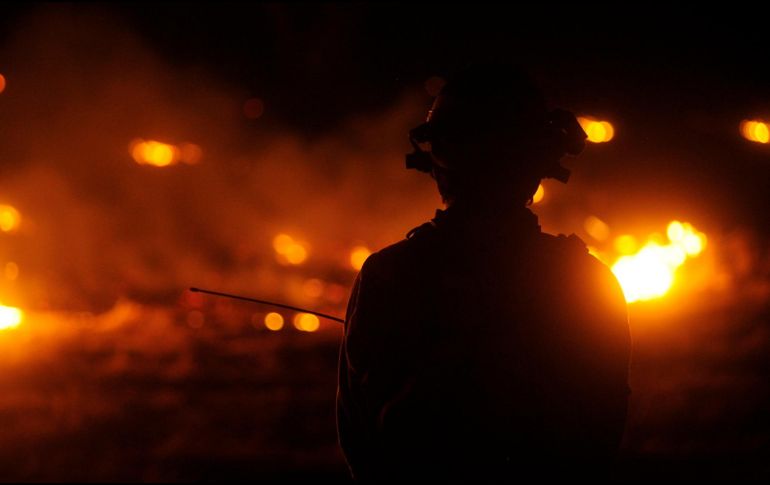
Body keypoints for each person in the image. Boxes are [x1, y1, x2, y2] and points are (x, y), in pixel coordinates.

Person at [337, 63, 631, 482]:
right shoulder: (586, 281)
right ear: (538, 164)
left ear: (438, 163)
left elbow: (360, 436)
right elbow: (603, 429)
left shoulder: (389, 275)